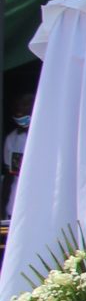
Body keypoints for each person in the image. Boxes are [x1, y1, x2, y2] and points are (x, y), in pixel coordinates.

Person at [2, 86, 31, 222]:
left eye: (25, 106)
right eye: (17, 108)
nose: (20, 112)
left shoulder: (49, 136)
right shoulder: (12, 139)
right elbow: (9, 175)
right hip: (15, 205)